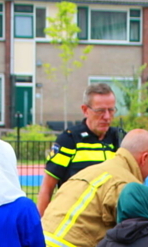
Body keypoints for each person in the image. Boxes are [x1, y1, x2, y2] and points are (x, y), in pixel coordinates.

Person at [37, 83, 125, 215]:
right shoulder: (69, 140)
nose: (107, 117)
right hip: (76, 222)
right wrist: (40, 227)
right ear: (85, 110)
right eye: (100, 111)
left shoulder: (120, 139)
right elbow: (47, 187)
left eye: (111, 110)